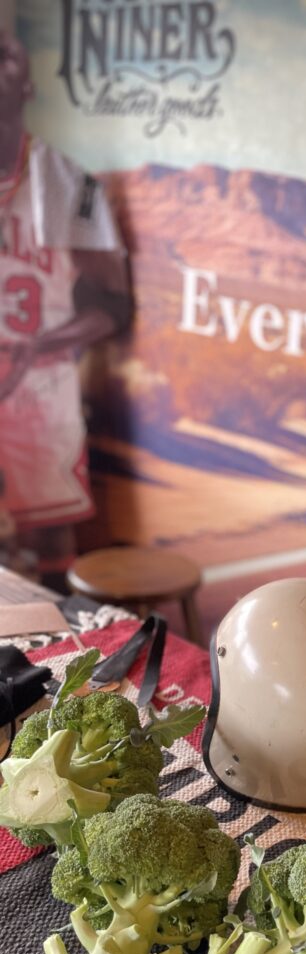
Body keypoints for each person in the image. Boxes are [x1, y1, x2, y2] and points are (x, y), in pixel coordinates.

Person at [0, 30, 131, 587]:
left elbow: (113, 305)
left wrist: (40, 345)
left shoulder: (68, 182)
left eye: (5, 57)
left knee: (49, 550)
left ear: (28, 84)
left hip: (39, 389)